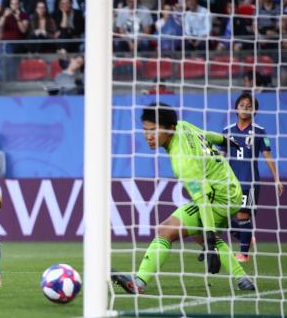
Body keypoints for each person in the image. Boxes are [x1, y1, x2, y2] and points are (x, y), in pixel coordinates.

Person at [111, 103, 256, 295]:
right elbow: (206, 134)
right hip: (230, 189)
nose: (149, 136)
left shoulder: (183, 162)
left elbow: (203, 199)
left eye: (154, 130)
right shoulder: (182, 125)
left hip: (218, 197)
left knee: (166, 230)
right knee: (198, 233)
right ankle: (243, 279)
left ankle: (139, 282)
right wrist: (225, 140)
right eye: (145, 131)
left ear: (170, 129)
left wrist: (211, 242)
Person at [220, 94, 283, 262]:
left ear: (254, 110)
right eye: (242, 105)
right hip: (230, 181)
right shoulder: (227, 131)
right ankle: (245, 238)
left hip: (250, 181)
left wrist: (276, 178)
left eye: (249, 106)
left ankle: (243, 254)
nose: (245, 108)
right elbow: (220, 156)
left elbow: (267, 156)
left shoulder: (259, 132)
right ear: (236, 107)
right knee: (221, 216)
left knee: (243, 215)